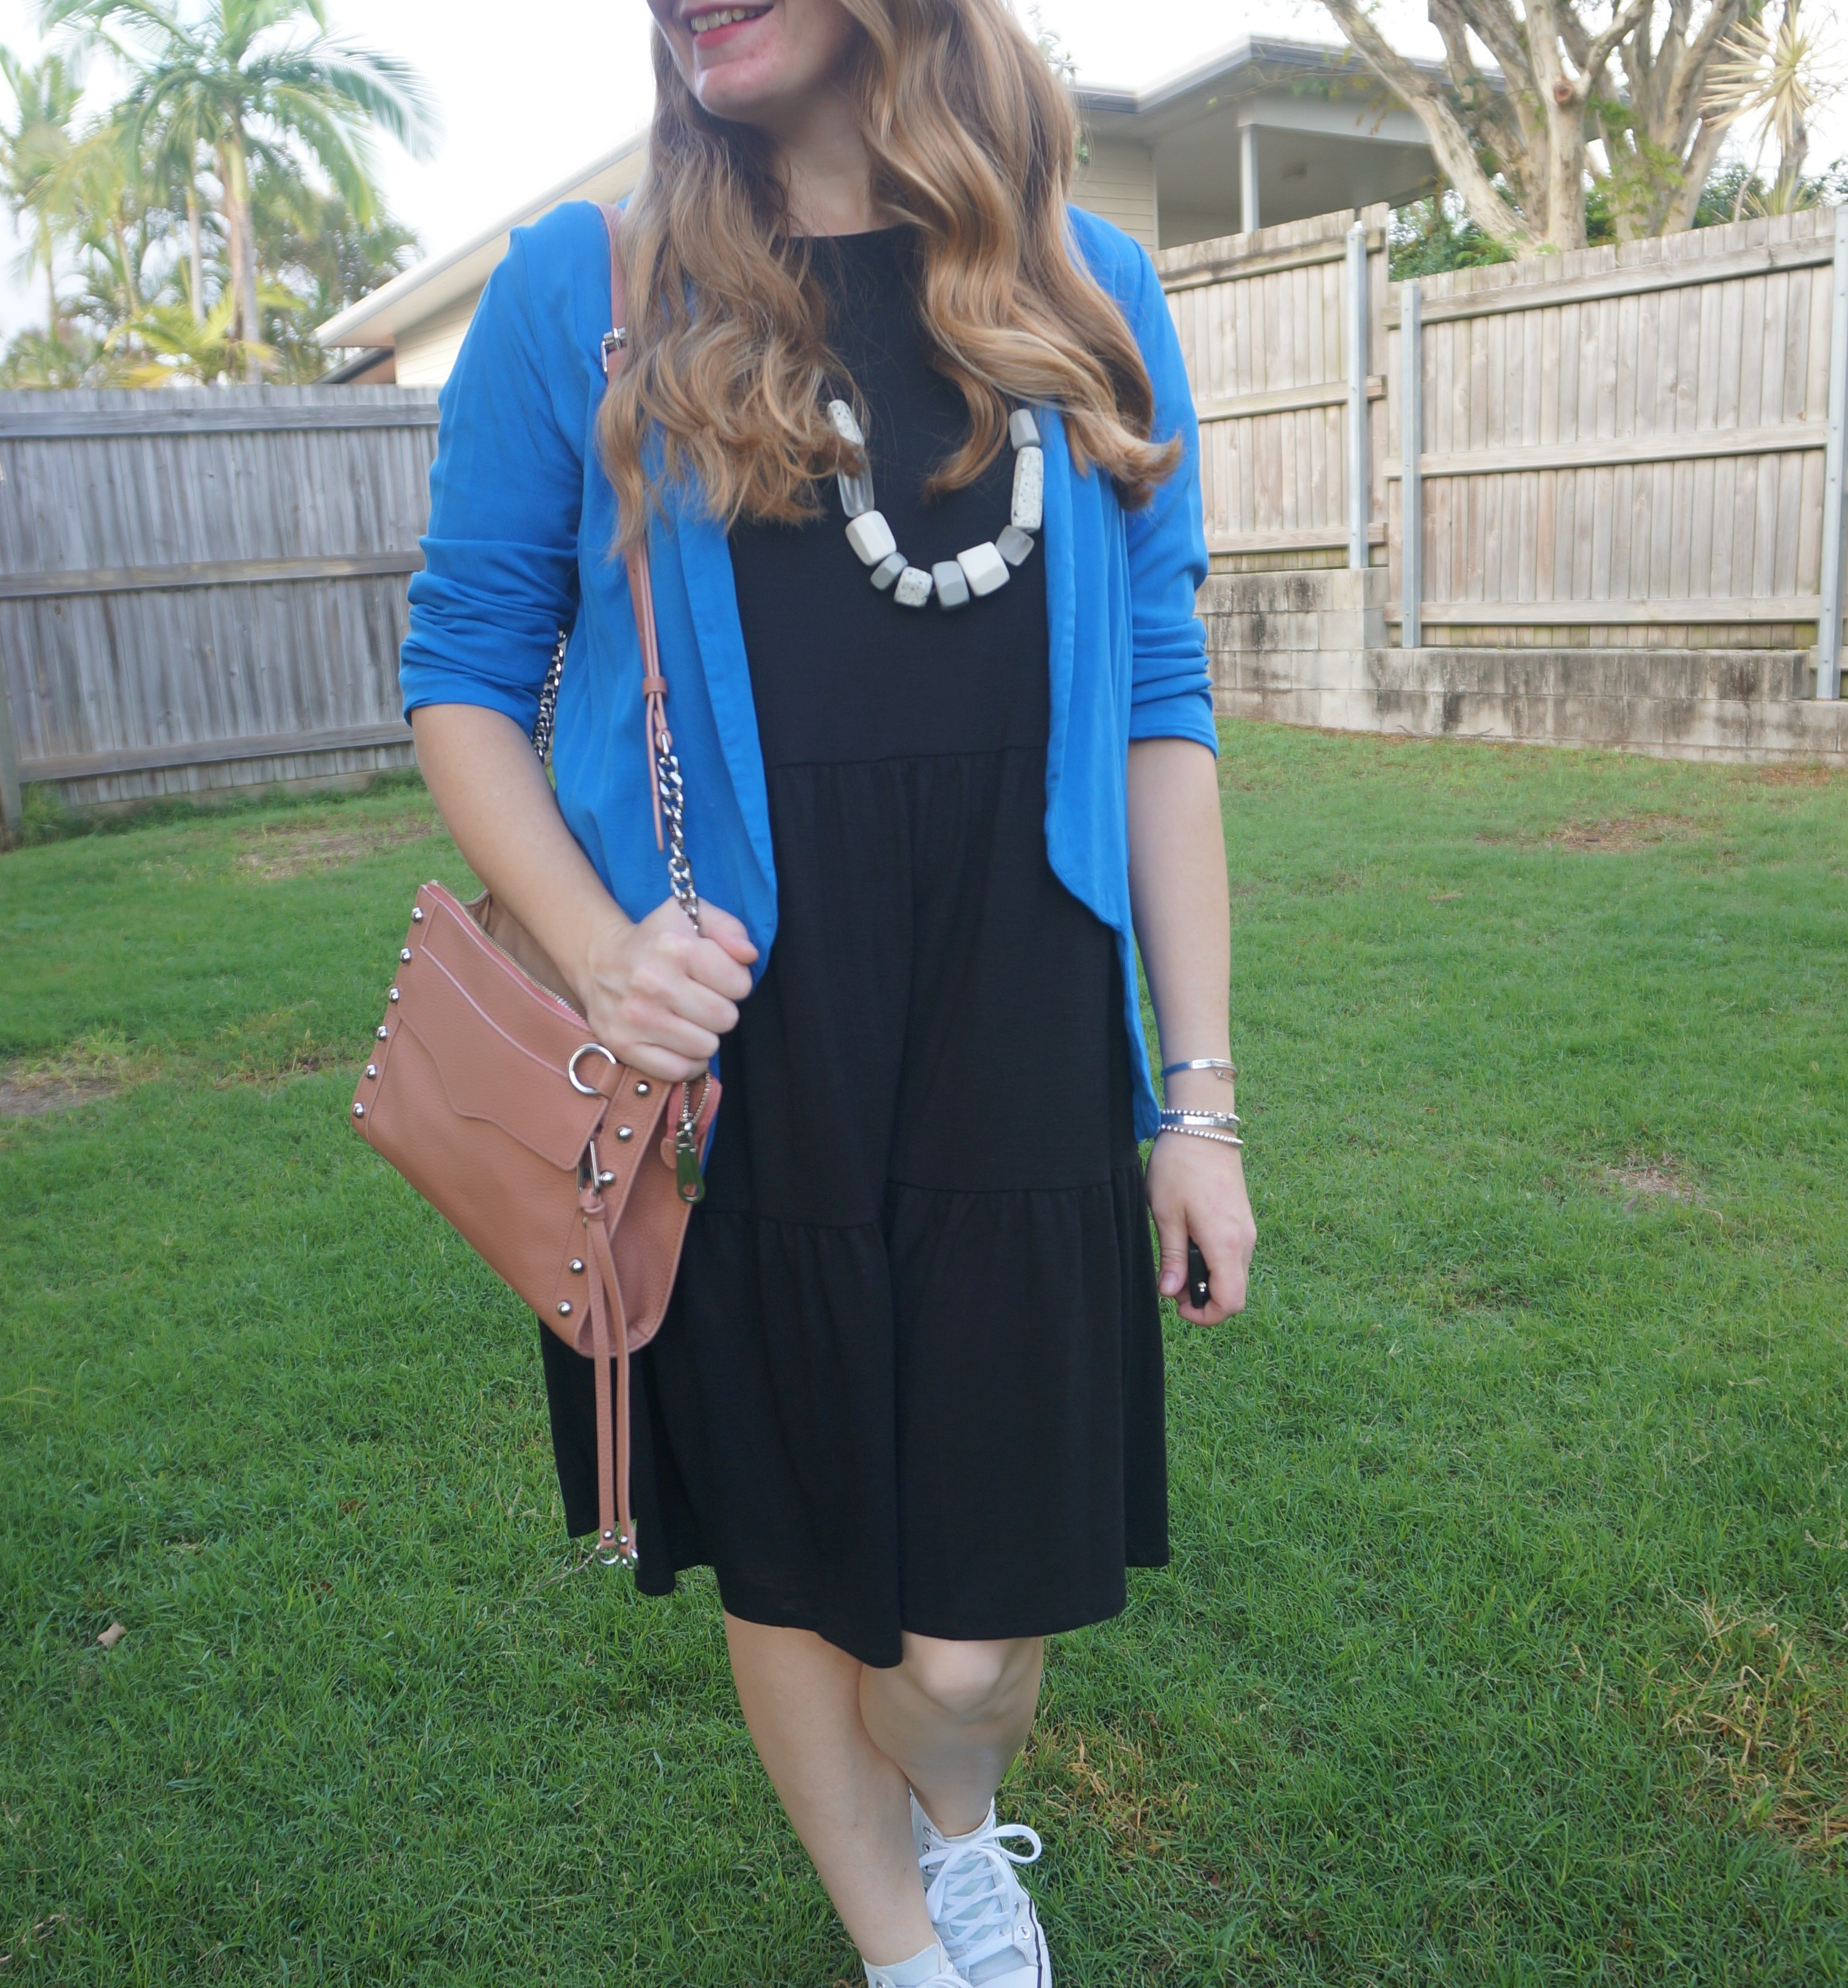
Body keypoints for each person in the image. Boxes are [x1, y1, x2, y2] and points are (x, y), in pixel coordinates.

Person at [400, 1, 1256, 1981]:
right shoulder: (592, 288)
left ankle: (955, 1813)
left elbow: (1163, 706)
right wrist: (609, 957)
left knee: (966, 1658)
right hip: (736, 1047)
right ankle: (907, 1944)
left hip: (1022, 1023)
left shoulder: (1083, 284)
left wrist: (1194, 1103)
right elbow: (461, 669)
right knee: (789, 1549)